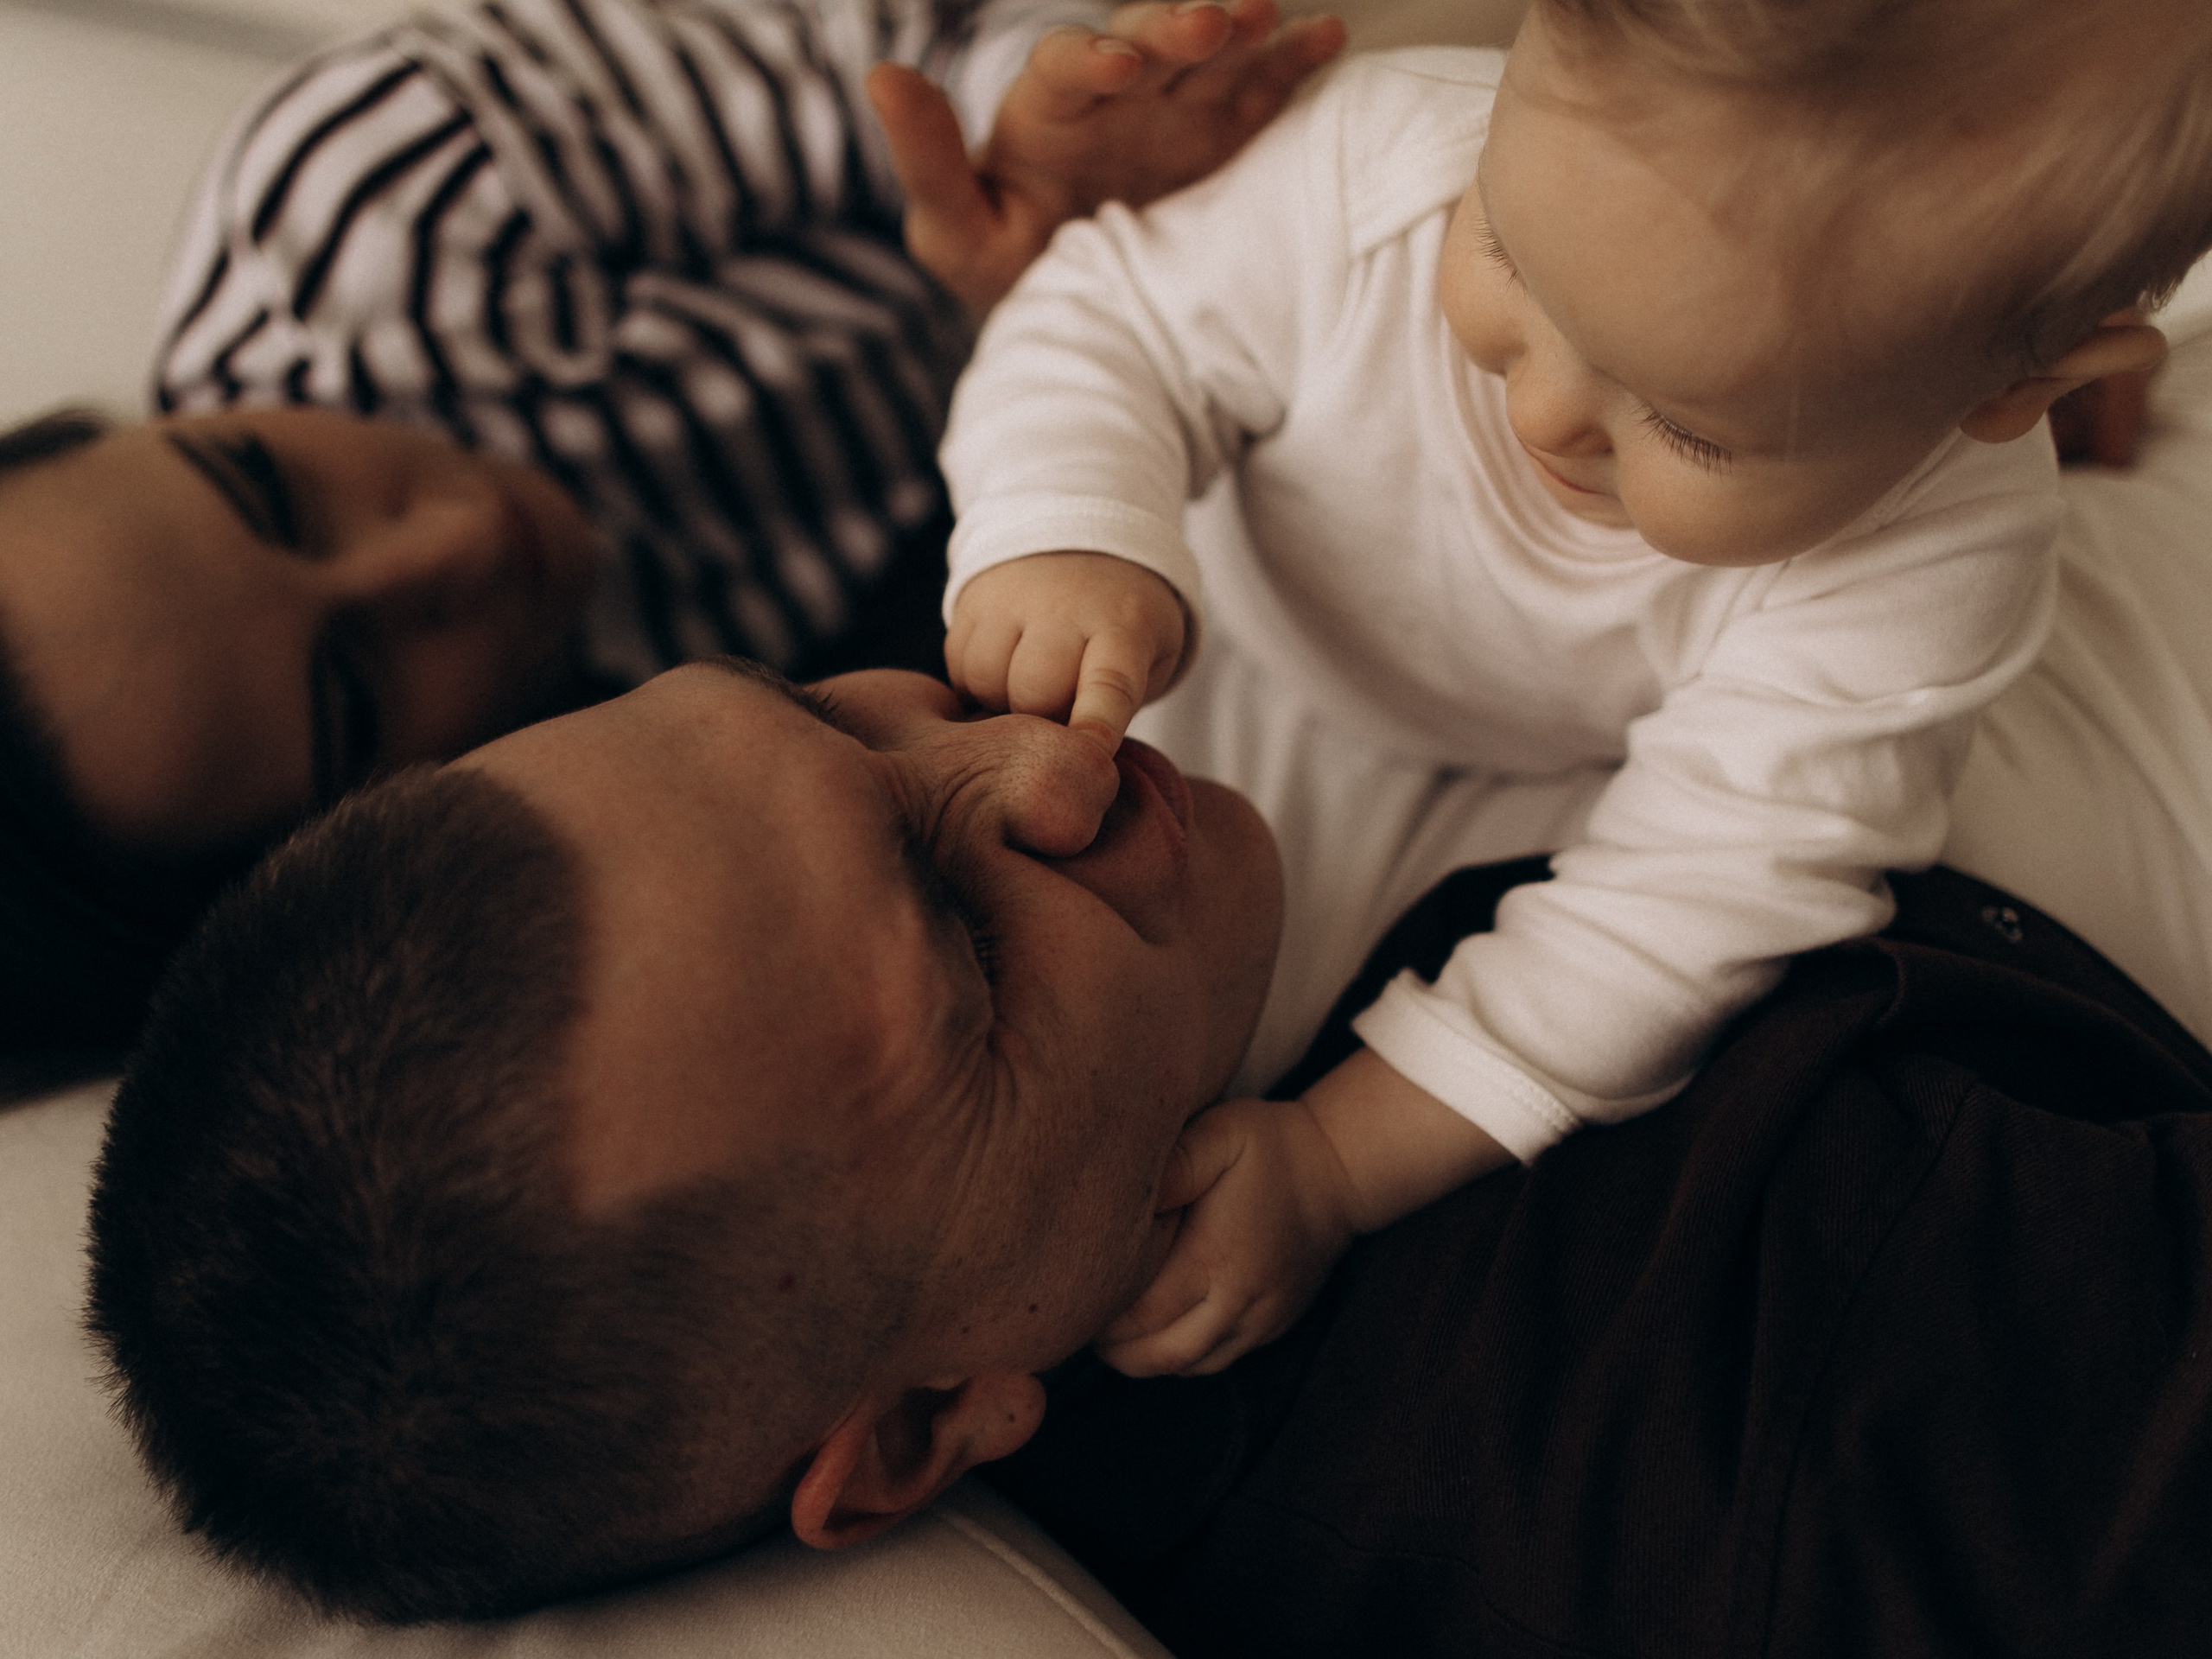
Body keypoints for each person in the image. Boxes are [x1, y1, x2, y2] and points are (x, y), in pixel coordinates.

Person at [931, 0, 2210, 1375]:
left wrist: (1341, 1160)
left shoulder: (1940, 551)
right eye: (1509, 253)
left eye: (1688, 425)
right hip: (1227, 645)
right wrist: (1069, 527)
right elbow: (1110, 316)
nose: (1536, 408)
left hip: (1574, 773)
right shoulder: (1388, 157)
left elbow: (1703, 892)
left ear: (2019, 389)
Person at [0, 0, 1342, 1062]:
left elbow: (892, 55)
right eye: (353, 695)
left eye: (268, 486)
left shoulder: (369, 197)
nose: (455, 539)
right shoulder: (639, 880)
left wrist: (1027, 156)